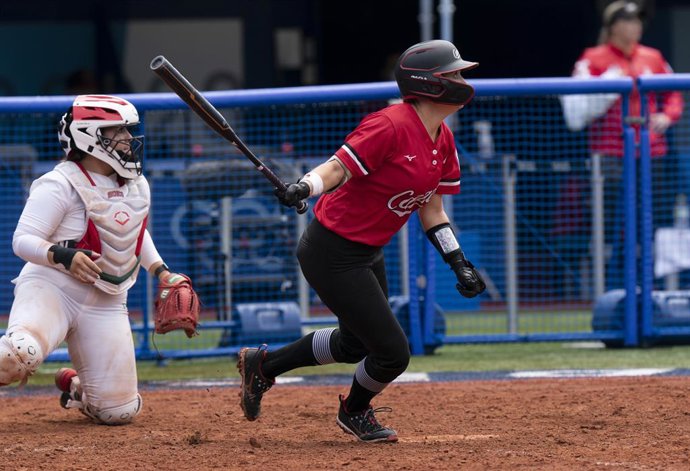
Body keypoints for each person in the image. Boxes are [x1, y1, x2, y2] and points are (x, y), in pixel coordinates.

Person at [236, 40, 486, 443]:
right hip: (331, 251)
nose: (462, 81)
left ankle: (262, 365)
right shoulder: (390, 124)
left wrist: (459, 262)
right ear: (428, 83)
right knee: (392, 353)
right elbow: (338, 167)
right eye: (452, 74)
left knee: (354, 345)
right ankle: (354, 411)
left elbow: (433, 211)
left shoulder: (442, 139)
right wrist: (306, 186)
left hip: (367, 251)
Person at [0, 95, 183, 425]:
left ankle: (74, 385)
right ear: (90, 135)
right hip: (53, 288)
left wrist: (162, 272)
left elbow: (133, 235)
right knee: (17, 356)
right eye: (118, 131)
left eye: (128, 131)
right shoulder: (60, 183)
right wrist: (64, 255)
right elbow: (21, 241)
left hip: (106, 301)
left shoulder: (137, 185)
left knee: (119, 411)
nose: (129, 139)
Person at [560, 0, 683, 289]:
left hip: (652, 154)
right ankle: (612, 289)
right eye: (628, 21)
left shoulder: (653, 57)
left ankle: (649, 290)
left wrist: (668, 115)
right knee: (612, 225)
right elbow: (576, 113)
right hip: (610, 156)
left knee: (650, 223)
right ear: (614, 26)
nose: (635, 26)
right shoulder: (594, 58)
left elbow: (674, 94)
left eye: (638, 21)